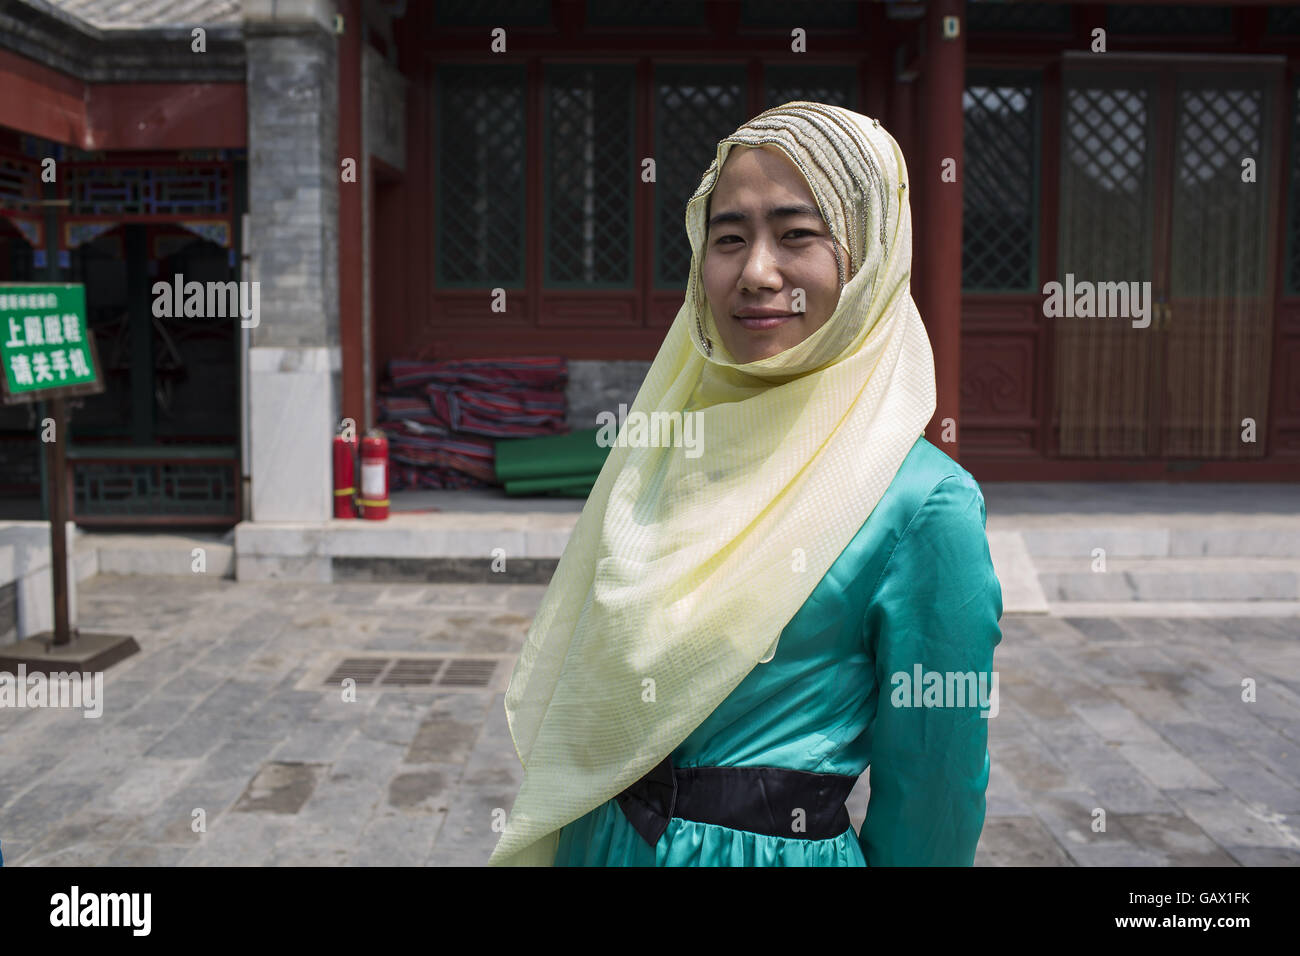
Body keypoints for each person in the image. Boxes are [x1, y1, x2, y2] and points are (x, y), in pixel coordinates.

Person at [488, 101, 1003, 867]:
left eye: (798, 235)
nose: (757, 273)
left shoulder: (922, 504)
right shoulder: (670, 443)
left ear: (869, 256)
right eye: (728, 239)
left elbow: (935, 796)